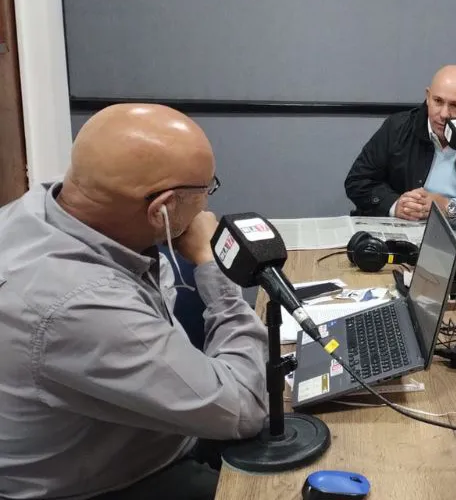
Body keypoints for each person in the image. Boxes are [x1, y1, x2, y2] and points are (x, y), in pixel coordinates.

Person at [0, 104, 268, 500]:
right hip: (110, 484)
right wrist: (214, 270)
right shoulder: (78, 303)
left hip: (124, 435)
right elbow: (244, 409)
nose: (207, 208)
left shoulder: (44, 210)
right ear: (160, 209)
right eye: (204, 192)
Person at [345, 65, 456, 220]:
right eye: (438, 101)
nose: (444, 114)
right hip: (403, 229)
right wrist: (395, 204)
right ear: (428, 97)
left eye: (455, 105)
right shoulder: (397, 128)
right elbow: (357, 181)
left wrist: (449, 207)